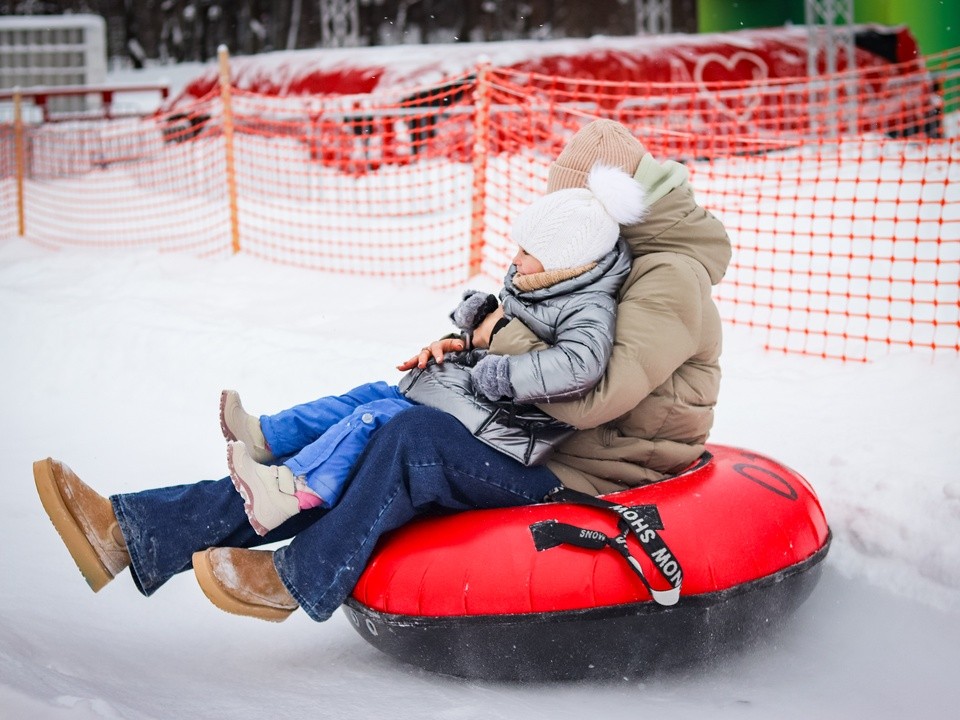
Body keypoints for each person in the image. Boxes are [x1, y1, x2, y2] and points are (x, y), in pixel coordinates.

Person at [33, 119, 731, 624]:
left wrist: (490, 346)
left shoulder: (666, 278)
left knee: (408, 439)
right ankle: (133, 532)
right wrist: (464, 348)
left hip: (591, 467)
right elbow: (535, 338)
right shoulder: (609, 258)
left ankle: (295, 579)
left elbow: (596, 394)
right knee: (377, 410)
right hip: (533, 433)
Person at [223, 163, 645, 537]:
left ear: (563, 259)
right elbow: (502, 334)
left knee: (381, 418)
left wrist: (501, 375)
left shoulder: (589, 305)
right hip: (472, 397)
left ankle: (293, 491)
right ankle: (268, 435)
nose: (514, 260)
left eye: (526, 252)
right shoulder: (539, 282)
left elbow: (580, 364)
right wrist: (467, 341)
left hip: (502, 423)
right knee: (369, 395)